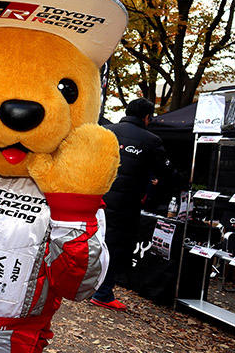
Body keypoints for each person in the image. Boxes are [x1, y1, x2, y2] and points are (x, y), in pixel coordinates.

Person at [90, 97, 167, 311]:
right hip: (125, 203)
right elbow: (163, 171)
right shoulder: (151, 140)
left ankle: (84, 286)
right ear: (146, 117)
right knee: (115, 246)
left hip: (97, 196)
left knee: (94, 239)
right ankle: (103, 293)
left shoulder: (106, 130)